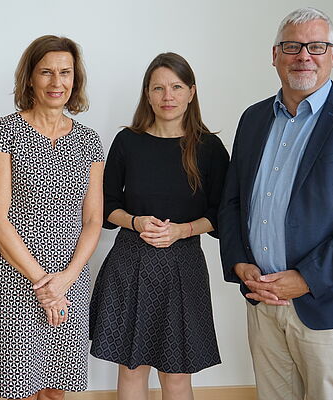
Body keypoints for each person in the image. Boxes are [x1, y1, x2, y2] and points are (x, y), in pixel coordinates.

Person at [218, 7, 333, 400]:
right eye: (292, 46)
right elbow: (231, 202)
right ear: (275, 54)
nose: (304, 56)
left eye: (316, 46)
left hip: (328, 299)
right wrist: (239, 262)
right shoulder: (254, 118)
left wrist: (307, 279)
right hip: (261, 295)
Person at [89, 52, 228, 400]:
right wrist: (135, 222)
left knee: (177, 374)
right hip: (129, 263)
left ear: (191, 92)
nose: (168, 96)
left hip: (184, 266)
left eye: (177, 87)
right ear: (147, 94)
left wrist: (182, 230)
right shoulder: (128, 141)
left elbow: (221, 214)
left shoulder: (209, 148)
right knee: (132, 369)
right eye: (159, 88)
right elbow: (106, 207)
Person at [0, 35, 104, 400]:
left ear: (75, 79)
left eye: (65, 72)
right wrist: (43, 284)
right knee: (18, 388)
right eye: (46, 72)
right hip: (18, 280)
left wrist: (64, 282)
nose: (57, 82)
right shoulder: (6, 130)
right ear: (30, 78)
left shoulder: (89, 140)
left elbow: (93, 221)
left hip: (70, 281)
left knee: (55, 390)